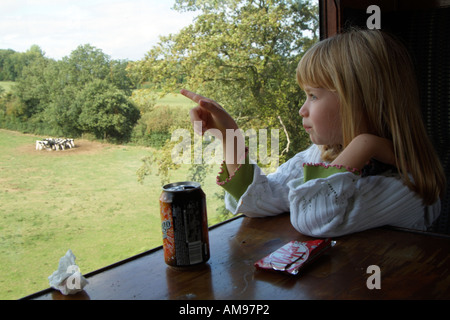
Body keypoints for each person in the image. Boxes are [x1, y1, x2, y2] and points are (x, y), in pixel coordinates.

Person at [180, 29, 446, 238]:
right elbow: (260, 201)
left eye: (313, 96)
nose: (301, 110)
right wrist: (230, 137)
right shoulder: (323, 154)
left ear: (362, 103)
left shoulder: (408, 187)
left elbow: (312, 220)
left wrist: (364, 144)